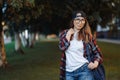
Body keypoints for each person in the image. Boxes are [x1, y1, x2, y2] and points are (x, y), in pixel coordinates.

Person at [58, 10, 103, 80]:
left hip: (85, 70)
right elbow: (62, 47)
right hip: (68, 72)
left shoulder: (88, 36)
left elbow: (97, 53)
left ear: (85, 22)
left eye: (82, 20)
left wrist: (95, 63)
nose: (80, 22)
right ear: (73, 21)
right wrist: (69, 35)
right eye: (77, 19)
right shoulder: (64, 33)